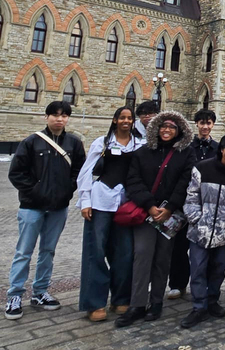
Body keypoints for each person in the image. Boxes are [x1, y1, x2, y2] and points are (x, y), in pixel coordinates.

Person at [5, 101, 86, 321]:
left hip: (59, 207)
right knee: (24, 252)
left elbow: (80, 171)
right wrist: (35, 191)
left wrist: (68, 189)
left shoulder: (74, 143)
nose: (59, 119)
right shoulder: (31, 142)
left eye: (64, 115)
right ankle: (14, 295)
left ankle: (40, 292)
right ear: (46, 117)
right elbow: (16, 173)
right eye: (55, 115)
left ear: (68, 118)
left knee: (48, 251)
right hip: (32, 207)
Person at [116, 111, 195, 327]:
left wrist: (169, 207)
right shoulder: (143, 152)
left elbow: (186, 181)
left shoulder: (185, 153)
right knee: (141, 255)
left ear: (179, 131)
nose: (167, 130)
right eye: (163, 126)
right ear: (156, 129)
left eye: (172, 127)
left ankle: (156, 302)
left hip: (170, 215)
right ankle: (137, 304)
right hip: (146, 213)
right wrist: (149, 205)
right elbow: (133, 180)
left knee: (162, 258)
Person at [77, 106, 145, 322]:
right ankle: (94, 303)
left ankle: (120, 298)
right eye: (122, 118)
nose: (126, 121)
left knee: (124, 252)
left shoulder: (139, 144)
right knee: (95, 251)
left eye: (129, 118)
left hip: (126, 204)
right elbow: (86, 172)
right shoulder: (102, 142)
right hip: (101, 201)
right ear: (115, 120)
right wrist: (85, 201)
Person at [180, 133, 225, 328]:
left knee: (219, 268)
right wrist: (196, 220)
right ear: (221, 148)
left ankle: (212, 300)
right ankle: (199, 306)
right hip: (200, 230)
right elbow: (191, 196)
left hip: (224, 233)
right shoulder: (202, 168)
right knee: (198, 268)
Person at [167, 109, 220, 301]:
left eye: (208, 123)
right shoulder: (186, 147)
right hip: (185, 202)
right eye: (201, 123)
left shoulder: (217, 148)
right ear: (196, 124)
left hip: (209, 203)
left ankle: (205, 284)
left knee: (206, 246)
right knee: (179, 246)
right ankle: (177, 284)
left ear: (213, 125)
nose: (205, 127)